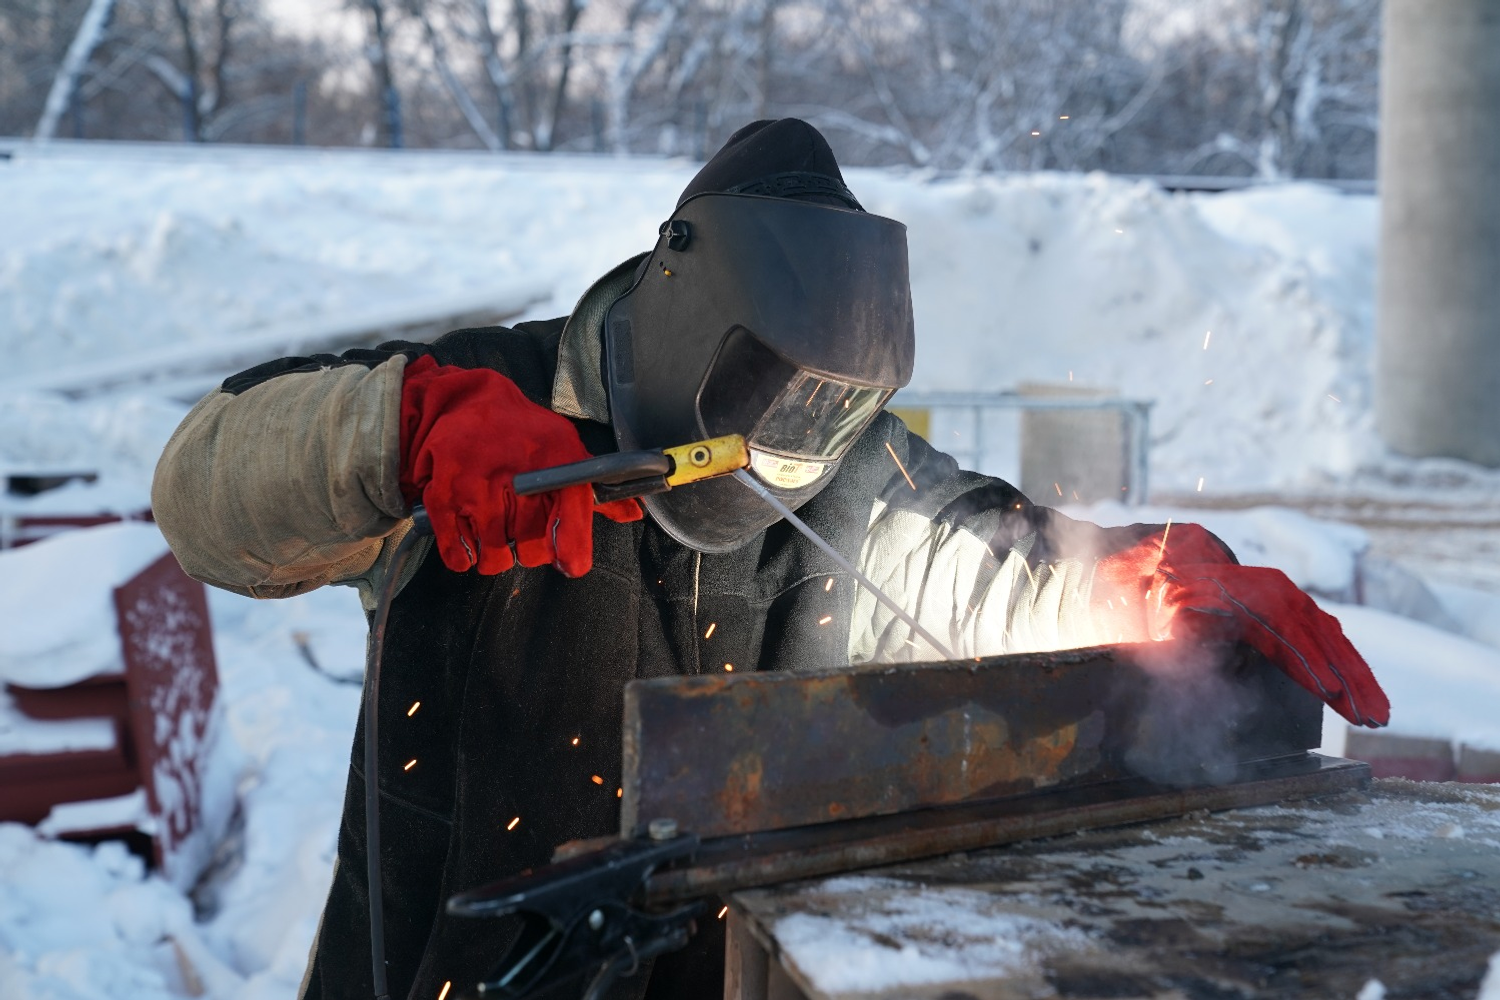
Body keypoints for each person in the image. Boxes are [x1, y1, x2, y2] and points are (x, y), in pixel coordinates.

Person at [151, 119, 1388, 1000]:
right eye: (779, 400)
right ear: (684, 307)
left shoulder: (846, 469)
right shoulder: (491, 403)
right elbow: (200, 489)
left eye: (834, 412)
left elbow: (975, 563)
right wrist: (392, 435)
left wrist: (1120, 582)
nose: (797, 442)